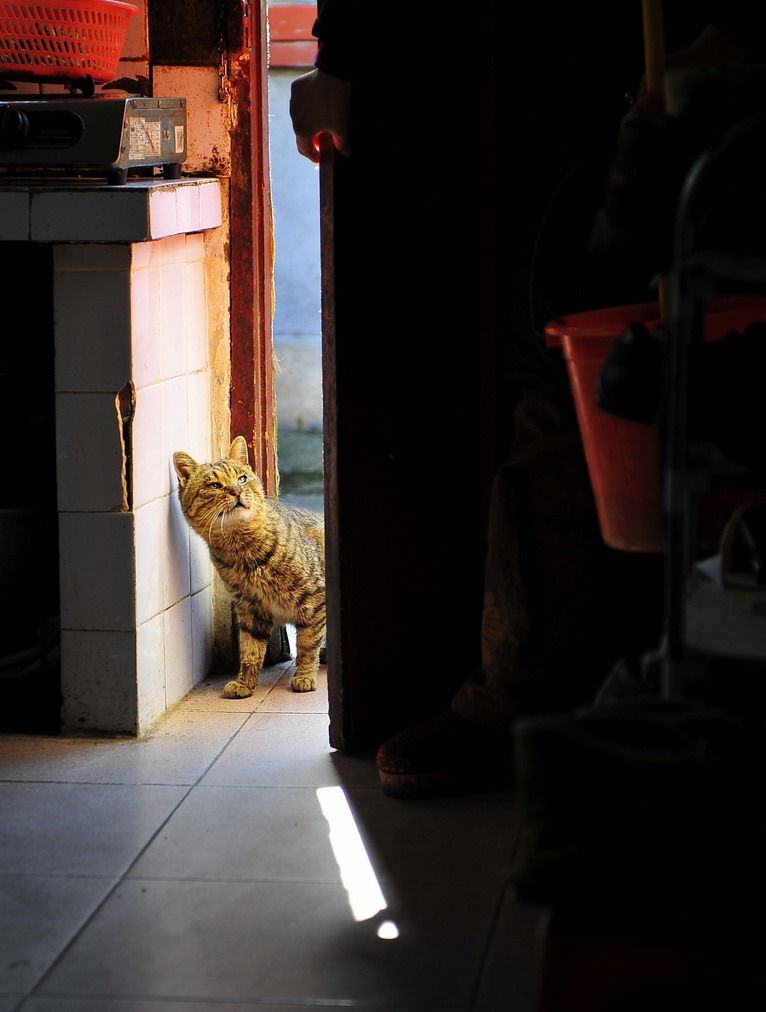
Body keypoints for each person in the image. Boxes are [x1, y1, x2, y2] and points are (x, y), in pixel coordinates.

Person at [290, 1, 765, 797]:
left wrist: (735, 36)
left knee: (732, 370)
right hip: (582, 103)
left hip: (732, 96)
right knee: (559, 372)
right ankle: (517, 696)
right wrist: (343, 56)